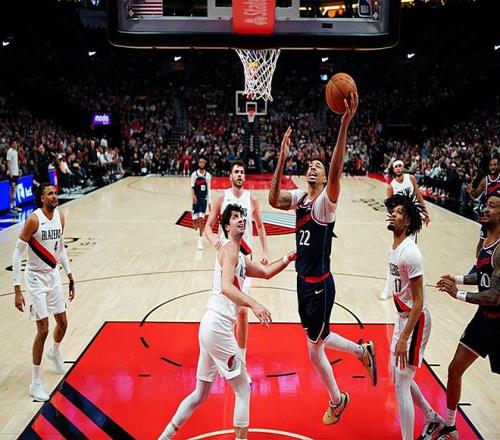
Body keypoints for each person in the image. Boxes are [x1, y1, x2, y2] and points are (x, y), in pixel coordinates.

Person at [268, 94, 377, 425]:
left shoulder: (324, 205)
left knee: (314, 350)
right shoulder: (300, 197)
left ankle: (337, 400)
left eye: (319, 165)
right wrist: (281, 159)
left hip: (320, 286)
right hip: (302, 284)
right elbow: (273, 199)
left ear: (325, 177)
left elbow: (337, 170)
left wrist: (344, 126)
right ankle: (362, 351)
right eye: (311, 164)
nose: (313, 166)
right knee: (320, 337)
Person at [158, 204, 296, 439]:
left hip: (209, 327)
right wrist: (254, 304)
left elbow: (265, 272)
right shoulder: (230, 248)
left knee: (200, 394)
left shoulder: (238, 254)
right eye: (234, 217)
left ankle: (164, 438)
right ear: (226, 227)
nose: (241, 219)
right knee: (243, 390)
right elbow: (226, 287)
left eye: (241, 216)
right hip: (218, 327)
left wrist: (288, 258)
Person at [431, 189, 500, 440]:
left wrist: (457, 293)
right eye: (486, 204)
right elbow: (482, 276)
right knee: (454, 369)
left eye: (492, 206)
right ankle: (450, 427)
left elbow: (494, 296)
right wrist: (457, 278)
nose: (485, 209)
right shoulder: (486, 241)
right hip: (484, 320)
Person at [384, 191, 443, 440]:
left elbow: (419, 301)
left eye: (398, 212)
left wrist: (403, 337)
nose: (393, 214)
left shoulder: (411, 253)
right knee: (400, 376)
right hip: (403, 317)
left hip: (415, 320)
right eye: (393, 211)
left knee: (401, 383)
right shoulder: (396, 247)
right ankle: (432, 417)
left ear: (407, 221)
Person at [12, 183, 76, 401]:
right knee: (43, 329)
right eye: (50, 194)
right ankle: (35, 383)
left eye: (56, 193)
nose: (55, 196)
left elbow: (60, 249)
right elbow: (16, 254)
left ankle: (54, 352)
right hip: (35, 279)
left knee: (63, 323)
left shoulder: (60, 217)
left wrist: (70, 276)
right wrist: (17, 289)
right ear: (41, 198)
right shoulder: (33, 220)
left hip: (53, 276)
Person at [205, 160, 269, 371]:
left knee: (242, 310)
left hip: (244, 260)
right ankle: (221, 348)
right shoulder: (222, 198)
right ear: (230, 176)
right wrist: (216, 243)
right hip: (226, 260)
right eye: (236, 172)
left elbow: (260, 226)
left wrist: (265, 252)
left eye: (242, 172)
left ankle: (241, 356)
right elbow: (208, 226)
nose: (240, 174)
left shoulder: (252, 200)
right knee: (224, 305)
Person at [381, 159, 430, 300]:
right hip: (400, 225)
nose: (398, 168)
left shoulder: (411, 178)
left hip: (411, 222)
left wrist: (425, 213)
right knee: (395, 257)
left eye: (400, 166)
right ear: (393, 169)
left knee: (410, 254)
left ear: (403, 167)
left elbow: (418, 196)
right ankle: (388, 288)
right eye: (396, 166)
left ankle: (415, 286)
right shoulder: (391, 186)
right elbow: (389, 207)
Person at [467, 155, 500, 256]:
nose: (492, 167)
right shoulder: (485, 180)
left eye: (495, 164)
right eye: (491, 165)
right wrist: (470, 191)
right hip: (489, 216)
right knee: (483, 240)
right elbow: (475, 195)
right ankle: (478, 261)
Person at [190, 158, 212, 250]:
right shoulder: (194, 174)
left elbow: (209, 189)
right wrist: (193, 196)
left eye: (203, 162)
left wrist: (210, 202)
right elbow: (192, 187)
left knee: (201, 219)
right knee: (195, 221)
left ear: (205, 164)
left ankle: (200, 241)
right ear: (198, 163)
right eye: (200, 162)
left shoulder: (208, 175)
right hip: (196, 200)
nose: (201, 163)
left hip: (203, 199)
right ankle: (198, 231)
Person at [7, 140, 20, 212]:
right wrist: (10, 173)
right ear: (11, 144)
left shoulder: (16, 152)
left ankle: (14, 206)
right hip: (11, 174)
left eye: (16, 143)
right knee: (12, 190)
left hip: (16, 174)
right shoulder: (10, 151)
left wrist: (18, 172)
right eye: (14, 143)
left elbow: (15, 163)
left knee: (14, 190)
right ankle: (11, 207)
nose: (15, 144)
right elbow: (8, 163)